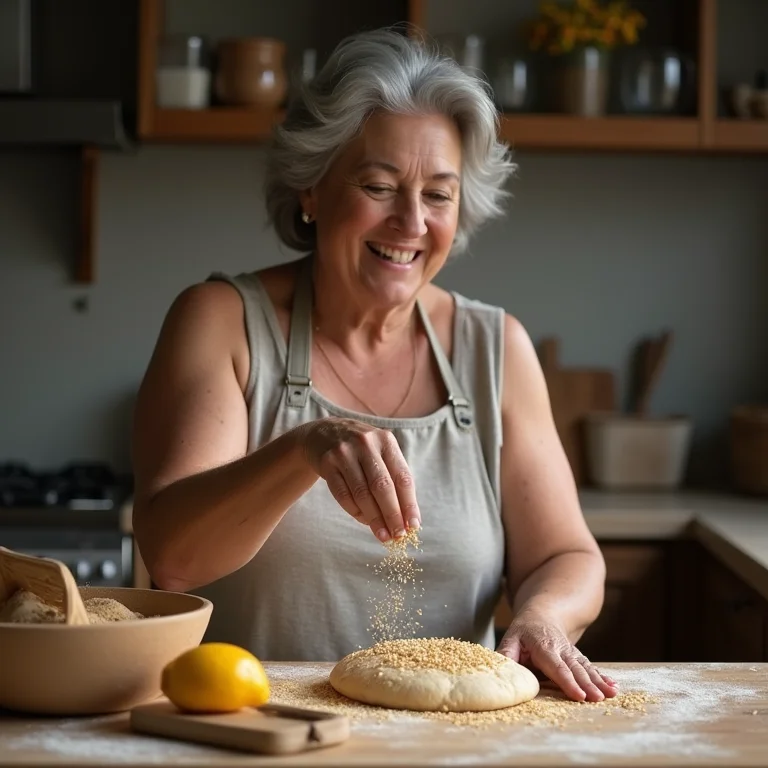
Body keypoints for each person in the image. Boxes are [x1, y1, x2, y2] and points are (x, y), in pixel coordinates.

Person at [131, 27, 617, 704]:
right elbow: (175, 560)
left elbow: (569, 557)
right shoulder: (222, 322)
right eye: (379, 185)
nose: (411, 222)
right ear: (311, 189)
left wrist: (542, 617)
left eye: (439, 195)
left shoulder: (495, 347)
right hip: (254, 734)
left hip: (449, 743)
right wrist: (306, 448)